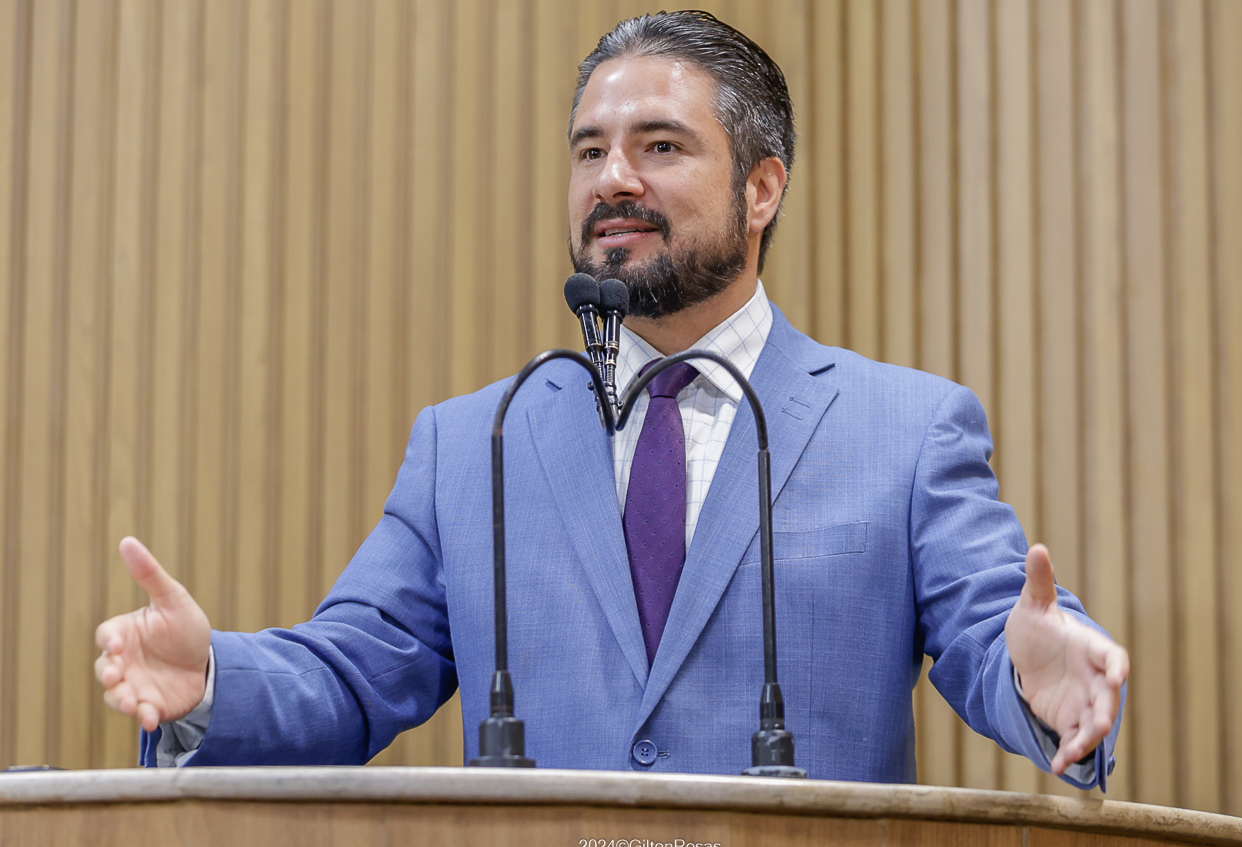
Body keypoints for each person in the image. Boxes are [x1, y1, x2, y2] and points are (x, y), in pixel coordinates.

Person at [94, 11, 1127, 786]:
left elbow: (997, 625)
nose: (611, 179)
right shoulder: (475, 442)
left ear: (762, 188)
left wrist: (1040, 679)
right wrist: (211, 682)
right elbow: (352, 673)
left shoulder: (904, 431)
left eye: (659, 146)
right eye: (590, 150)